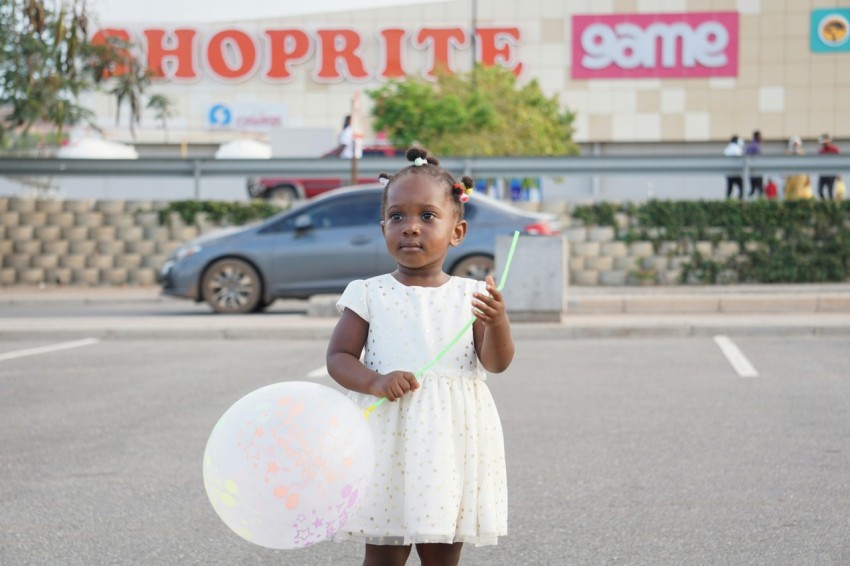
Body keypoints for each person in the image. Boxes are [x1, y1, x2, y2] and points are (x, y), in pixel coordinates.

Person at [326, 147, 514, 566]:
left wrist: (498, 322)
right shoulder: (369, 293)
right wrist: (374, 381)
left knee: (441, 553)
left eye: (427, 216)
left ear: (457, 231)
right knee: (383, 554)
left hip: (451, 440)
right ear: (382, 227)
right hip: (387, 438)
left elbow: (496, 363)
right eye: (398, 216)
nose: (411, 227)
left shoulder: (473, 296)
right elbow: (339, 356)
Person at [784, 136, 811, 200]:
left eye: (796, 144)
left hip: (801, 176)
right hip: (791, 176)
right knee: (789, 194)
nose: (795, 146)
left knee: (801, 193)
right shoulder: (788, 154)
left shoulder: (802, 153)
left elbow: (807, 166)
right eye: (794, 144)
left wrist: (808, 178)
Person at [817, 133, 840, 200]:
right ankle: (824, 204)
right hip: (823, 173)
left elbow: (838, 162)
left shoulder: (835, 150)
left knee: (830, 192)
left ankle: (830, 207)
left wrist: (838, 173)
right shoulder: (821, 151)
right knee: (820, 191)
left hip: (831, 174)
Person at [723, 135, 744, 199]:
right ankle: (740, 201)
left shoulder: (727, 148)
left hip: (729, 172)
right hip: (736, 172)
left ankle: (728, 202)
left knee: (729, 189)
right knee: (741, 187)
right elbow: (740, 158)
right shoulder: (737, 148)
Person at [745, 130, 763, 198]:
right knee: (760, 191)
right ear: (757, 136)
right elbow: (759, 158)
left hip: (751, 173)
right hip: (757, 172)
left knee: (752, 190)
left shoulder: (750, 145)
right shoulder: (756, 146)